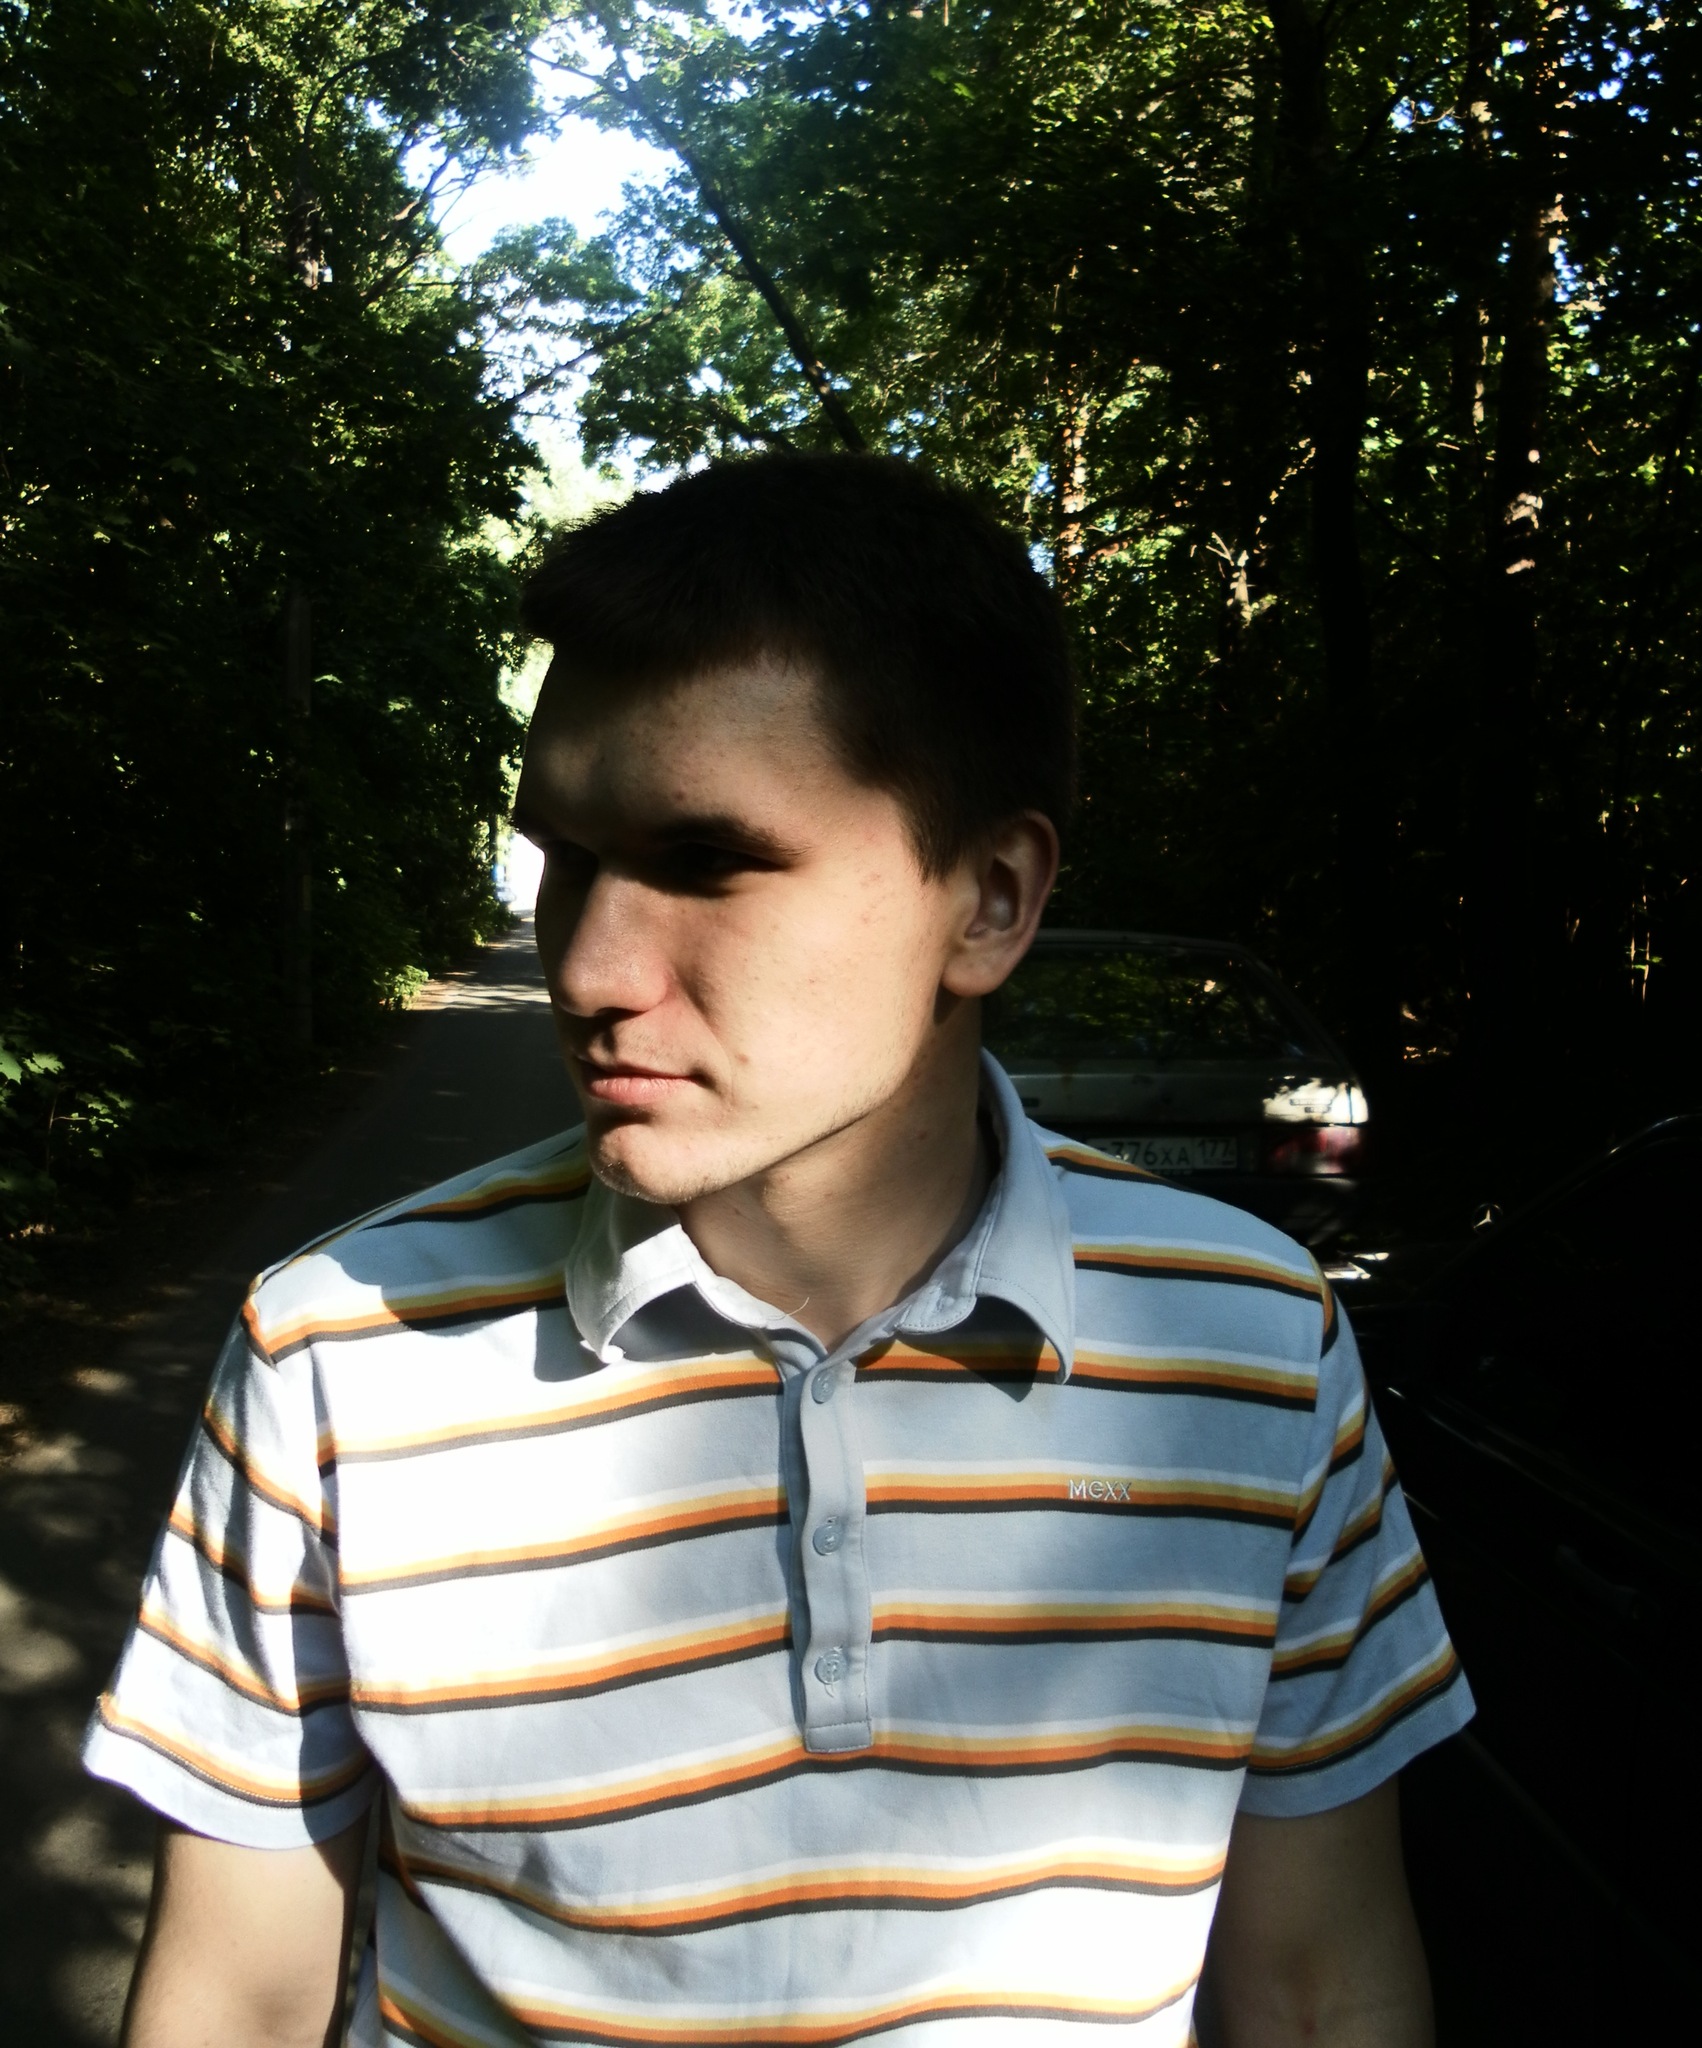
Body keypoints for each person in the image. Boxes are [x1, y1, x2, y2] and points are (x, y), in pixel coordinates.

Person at [87, 455, 1471, 2048]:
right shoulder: (340, 1348)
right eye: (567, 858)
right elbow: (235, 1998)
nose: (588, 966)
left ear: (989, 900)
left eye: (706, 865)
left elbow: (1315, 1988)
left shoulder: (1253, 1347)